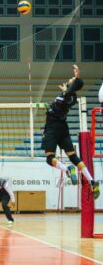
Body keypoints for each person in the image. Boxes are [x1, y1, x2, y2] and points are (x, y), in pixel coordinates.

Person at [42, 65, 99, 199]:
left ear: (73, 85)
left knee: (49, 158)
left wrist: (77, 78)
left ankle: (68, 169)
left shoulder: (68, 95)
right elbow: (68, 94)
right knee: (73, 156)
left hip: (52, 127)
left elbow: (70, 91)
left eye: (71, 79)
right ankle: (92, 181)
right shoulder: (71, 97)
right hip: (63, 128)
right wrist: (66, 89)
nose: (70, 78)